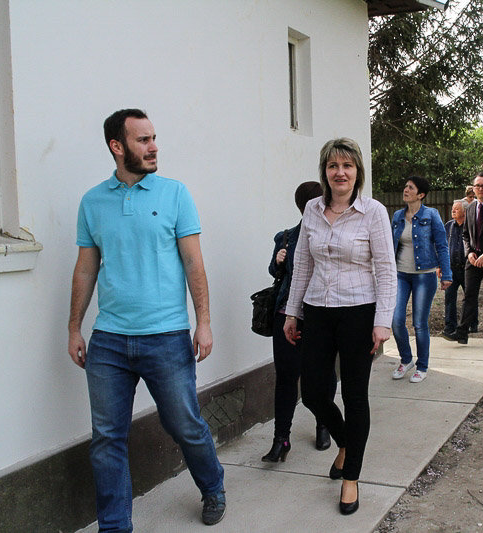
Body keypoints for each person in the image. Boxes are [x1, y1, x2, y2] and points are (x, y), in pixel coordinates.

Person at [68, 109, 226, 530]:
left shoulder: (175, 194)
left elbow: (193, 263)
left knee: (184, 424)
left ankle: (213, 485)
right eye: (143, 140)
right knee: (106, 439)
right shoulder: (92, 202)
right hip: (109, 340)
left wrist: (203, 321)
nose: (154, 147)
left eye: (154, 138)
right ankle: (115, 525)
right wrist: (74, 328)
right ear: (117, 147)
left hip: (166, 336)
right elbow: (86, 268)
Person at [283, 138, 396, 516]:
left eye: (347, 165)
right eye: (333, 166)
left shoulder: (373, 212)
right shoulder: (313, 210)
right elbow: (302, 265)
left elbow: (386, 270)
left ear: (357, 171)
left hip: (358, 313)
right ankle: (346, 443)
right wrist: (292, 313)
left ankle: (351, 477)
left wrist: (382, 322)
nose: (340, 172)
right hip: (317, 310)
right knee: (313, 393)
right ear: (325, 172)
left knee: (355, 395)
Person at [262, 182, 336, 463]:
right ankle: (281, 439)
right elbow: (275, 272)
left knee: (323, 374)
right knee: (286, 377)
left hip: (321, 315)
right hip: (287, 315)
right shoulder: (286, 237)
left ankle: (323, 424)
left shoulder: (333, 235)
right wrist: (278, 260)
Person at [390, 176, 452, 383]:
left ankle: (422, 366)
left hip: (424, 275)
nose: (405, 190)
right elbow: (390, 246)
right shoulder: (398, 216)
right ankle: (406, 359)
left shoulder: (431, 215)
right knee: (396, 320)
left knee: (419, 323)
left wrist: (446, 274)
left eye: (410, 187)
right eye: (405, 186)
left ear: (421, 194)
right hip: (400, 274)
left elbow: (442, 245)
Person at [442, 172, 483, 344]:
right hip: (473, 259)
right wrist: (469, 252)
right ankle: (462, 332)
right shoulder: (471, 208)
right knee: (469, 295)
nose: (480, 189)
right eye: (477, 186)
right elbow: (465, 235)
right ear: (473, 188)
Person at [443, 199, 479, 336]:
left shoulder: (471, 225)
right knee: (449, 297)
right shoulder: (448, 226)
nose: (453, 211)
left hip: (467, 268)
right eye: (453, 208)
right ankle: (449, 325)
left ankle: (472, 324)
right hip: (451, 268)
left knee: (470, 297)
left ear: (464, 212)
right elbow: (443, 245)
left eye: (456, 209)